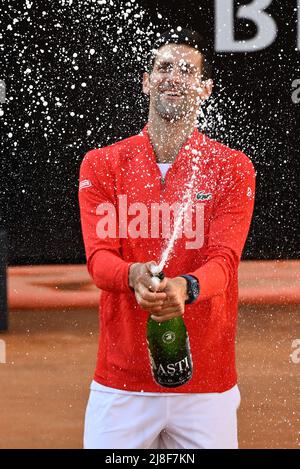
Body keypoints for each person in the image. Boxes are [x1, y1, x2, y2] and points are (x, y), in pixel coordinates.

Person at [78, 28, 256, 449]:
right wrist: (134, 274)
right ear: (146, 81)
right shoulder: (103, 164)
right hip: (122, 381)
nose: (173, 77)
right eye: (163, 67)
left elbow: (224, 263)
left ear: (205, 89)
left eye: (186, 70)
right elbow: (99, 259)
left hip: (206, 382)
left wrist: (186, 287)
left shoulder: (232, 168)